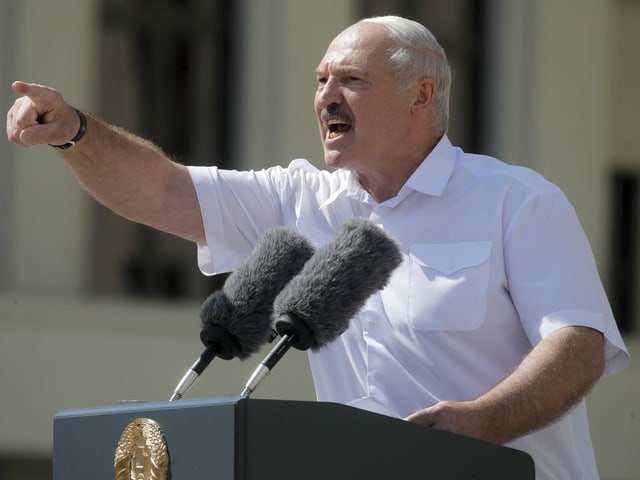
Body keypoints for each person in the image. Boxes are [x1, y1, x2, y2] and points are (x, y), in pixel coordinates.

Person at [6, 15, 629, 480]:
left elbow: (578, 346)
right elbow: (162, 191)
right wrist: (76, 133)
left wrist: (480, 423)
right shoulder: (300, 201)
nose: (326, 96)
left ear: (421, 97)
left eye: (352, 80)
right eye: (321, 79)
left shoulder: (516, 201)